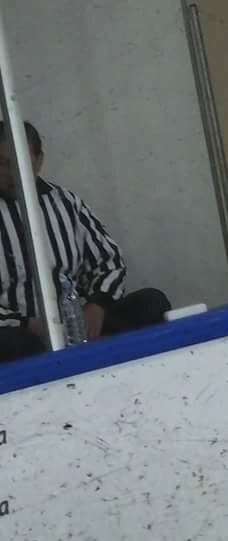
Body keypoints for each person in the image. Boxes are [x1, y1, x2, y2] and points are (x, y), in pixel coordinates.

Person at [0, 121, 170, 363]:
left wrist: (96, 306)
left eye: (20, 163)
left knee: (151, 302)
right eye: (4, 164)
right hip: (21, 333)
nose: (12, 174)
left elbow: (109, 261)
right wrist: (27, 323)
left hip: (77, 322)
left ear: (39, 161)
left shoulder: (65, 202)